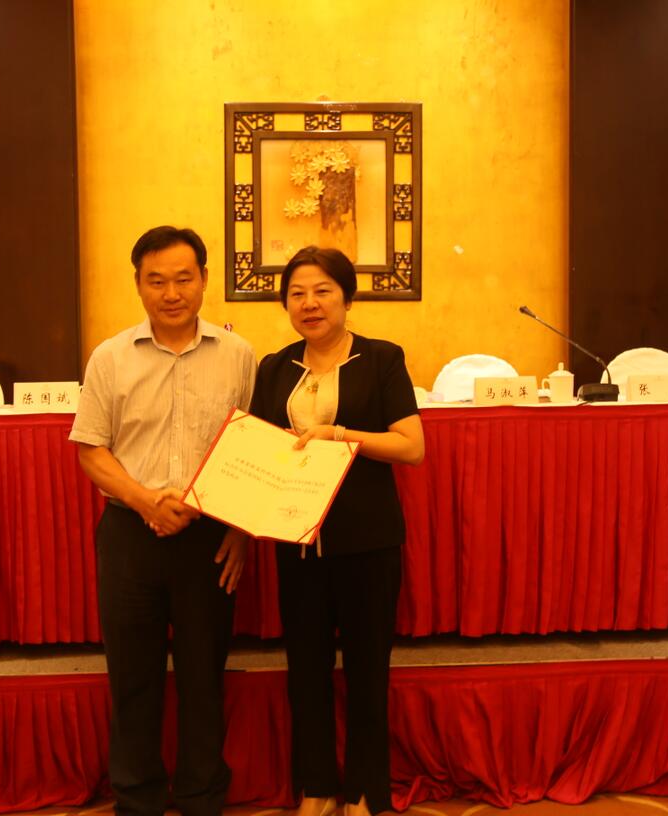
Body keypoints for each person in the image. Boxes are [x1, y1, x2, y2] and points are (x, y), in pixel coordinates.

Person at [69, 225, 255, 816]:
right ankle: (137, 800)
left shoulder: (239, 356)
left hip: (210, 539)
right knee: (133, 678)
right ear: (138, 285)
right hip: (131, 535)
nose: (171, 293)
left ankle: (202, 799)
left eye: (182, 279)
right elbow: (91, 449)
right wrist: (146, 500)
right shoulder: (110, 357)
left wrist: (240, 531)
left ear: (203, 280)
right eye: (156, 281)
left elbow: (253, 449)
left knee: (204, 677)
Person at [248, 246, 425, 816]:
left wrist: (342, 435)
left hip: (367, 541)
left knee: (368, 670)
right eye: (297, 293)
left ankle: (365, 791)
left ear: (347, 298)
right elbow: (259, 449)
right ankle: (318, 788)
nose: (310, 303)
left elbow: (411, 447)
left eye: (323, 291)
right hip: (298, 541)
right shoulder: (274, 368)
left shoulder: (381, 359)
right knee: (306, 671)